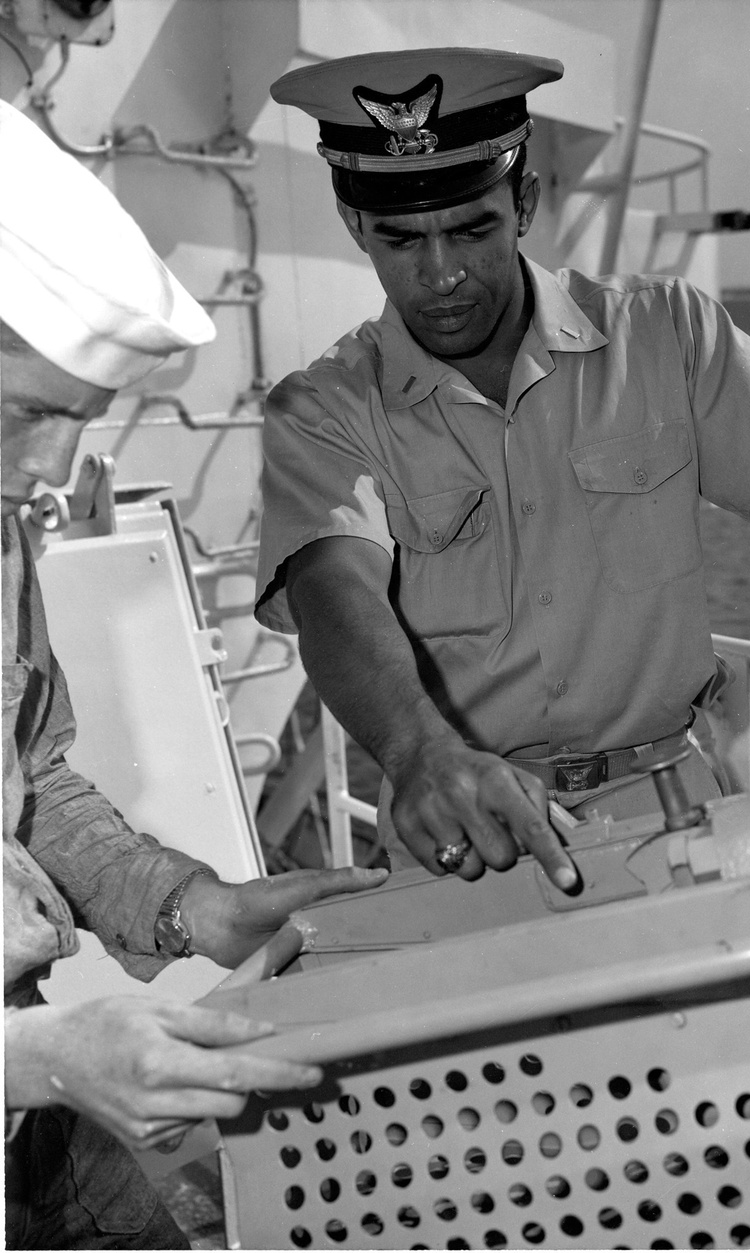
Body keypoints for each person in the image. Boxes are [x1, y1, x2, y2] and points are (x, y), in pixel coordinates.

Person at [254, 47, 750, 891]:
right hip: (466, 831)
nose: (442, 273)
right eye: (401, 240)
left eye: (472, 228)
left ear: (523, 203)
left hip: (675, 824)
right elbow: (334, 594)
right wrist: (421, 749)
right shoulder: (322, 409)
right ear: (354, 227)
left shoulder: (667, 334)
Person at [0, 101, 388, 1250]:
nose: (53, 468)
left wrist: (192, 905)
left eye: (81, 419)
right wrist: (39, 1057)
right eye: (28, 412)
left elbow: (34, 777)